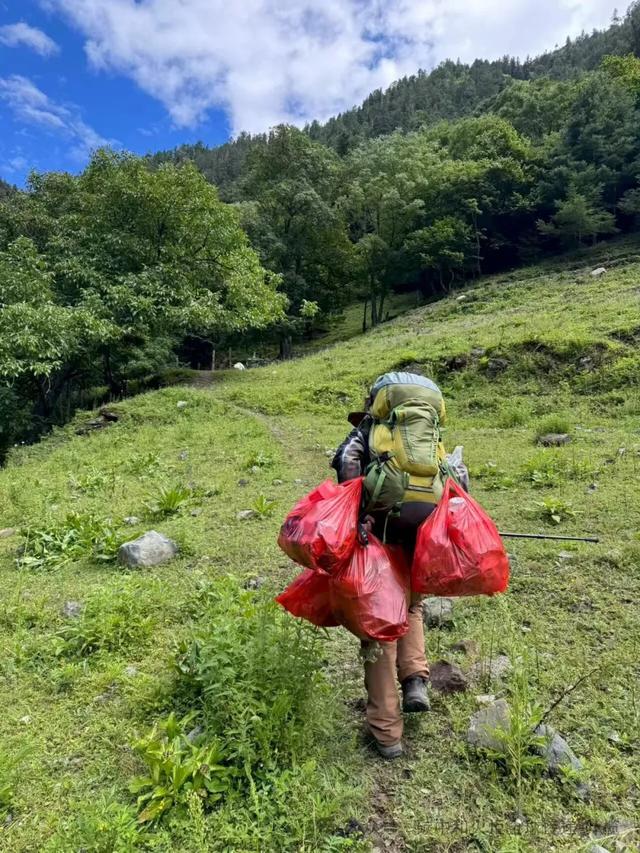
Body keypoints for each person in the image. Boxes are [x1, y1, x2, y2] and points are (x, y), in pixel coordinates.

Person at [331, 371, 468, 759]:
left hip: (381, 528)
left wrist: (354, 515)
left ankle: (387, 734)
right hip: (425, 530)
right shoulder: (430, 436)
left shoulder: (374, 429)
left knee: (378, 625)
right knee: (412, 605)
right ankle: (416, 681)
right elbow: (457, 479)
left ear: (378, 402)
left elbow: (347, 460)